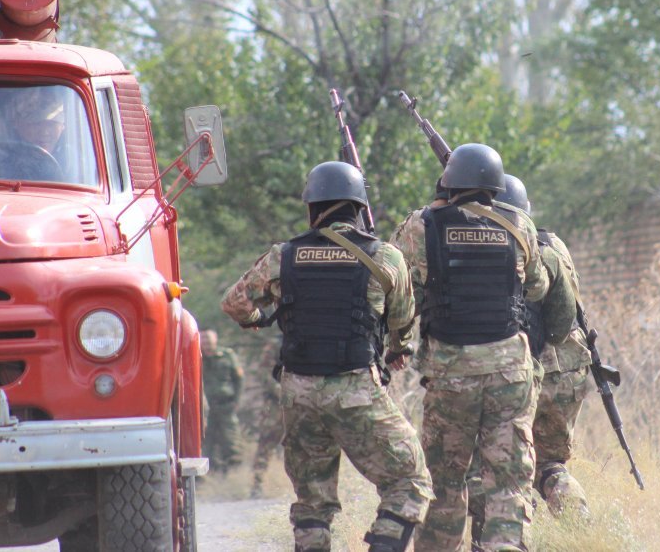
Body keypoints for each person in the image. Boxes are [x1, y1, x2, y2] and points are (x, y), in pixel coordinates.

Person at [221, 161, 433, 552]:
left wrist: (256, 320)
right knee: (411, 481)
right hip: (356, 389)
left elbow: (234, 302)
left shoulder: (283, 256)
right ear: (359, 208)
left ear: (312, 208)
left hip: (298, 393)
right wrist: (397, 349)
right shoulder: (385, 257)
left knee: (312, 504)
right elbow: (403, 319)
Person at [391, 144, 547, 552]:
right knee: (509, 479)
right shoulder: (519, 224)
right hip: (509, 371)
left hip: (450, 372)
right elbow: (538, 287)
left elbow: (396, 278)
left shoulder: (422, 224)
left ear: (448, 182)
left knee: (444, 479)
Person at [497, 175, 591, 517]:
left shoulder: (497, 251)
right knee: (551, 465)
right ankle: (578, 522)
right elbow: (568, 310)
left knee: (507, 461)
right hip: (569, 368)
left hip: (522, 368)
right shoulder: (553, 244)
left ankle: (515, 526)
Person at [200, 329, 245, 473]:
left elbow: (239, 379)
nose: (206, 342)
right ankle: (207, 477)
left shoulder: (227, 355)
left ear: (215, 339)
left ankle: (233, 474)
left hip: (226, 405)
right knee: (205, 443)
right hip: (204, 408)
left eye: (209, 339)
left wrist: (236, 400)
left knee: (231, 441)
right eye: (203, 339)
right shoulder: (196, 356)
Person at [248, 321, 285, 498]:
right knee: (267, 442)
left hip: (302, 401)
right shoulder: (277, 344)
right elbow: (264, 372)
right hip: (276, 403)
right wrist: (279, 390)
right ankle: (258, 484)